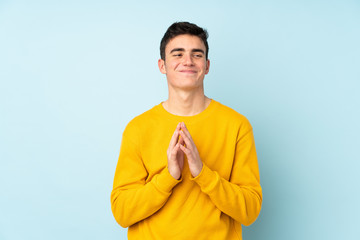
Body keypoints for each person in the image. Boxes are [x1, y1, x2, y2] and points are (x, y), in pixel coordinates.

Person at [111, 22, 262, 240]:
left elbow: (249, 211)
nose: (188, 61)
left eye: (197, 54)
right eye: (178, 54)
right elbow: (122, 213)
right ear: (162, 65)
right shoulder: (138, 129)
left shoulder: (237, 125)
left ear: (207, 66)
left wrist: (202, 173)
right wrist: (169, 176)